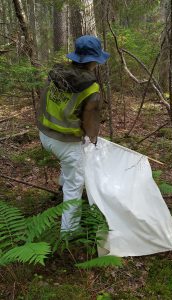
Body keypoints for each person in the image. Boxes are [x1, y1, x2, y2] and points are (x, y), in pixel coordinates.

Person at [38, 35, 110, 233]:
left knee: (69, 166)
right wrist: (92, 139)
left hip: (45, 135)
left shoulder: (56, 74)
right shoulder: (91, 88)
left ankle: (61, 187)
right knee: (74, 186)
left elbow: (44, 101)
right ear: (94, 60)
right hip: (67, 143)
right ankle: (69, 234)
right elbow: (91, 122)